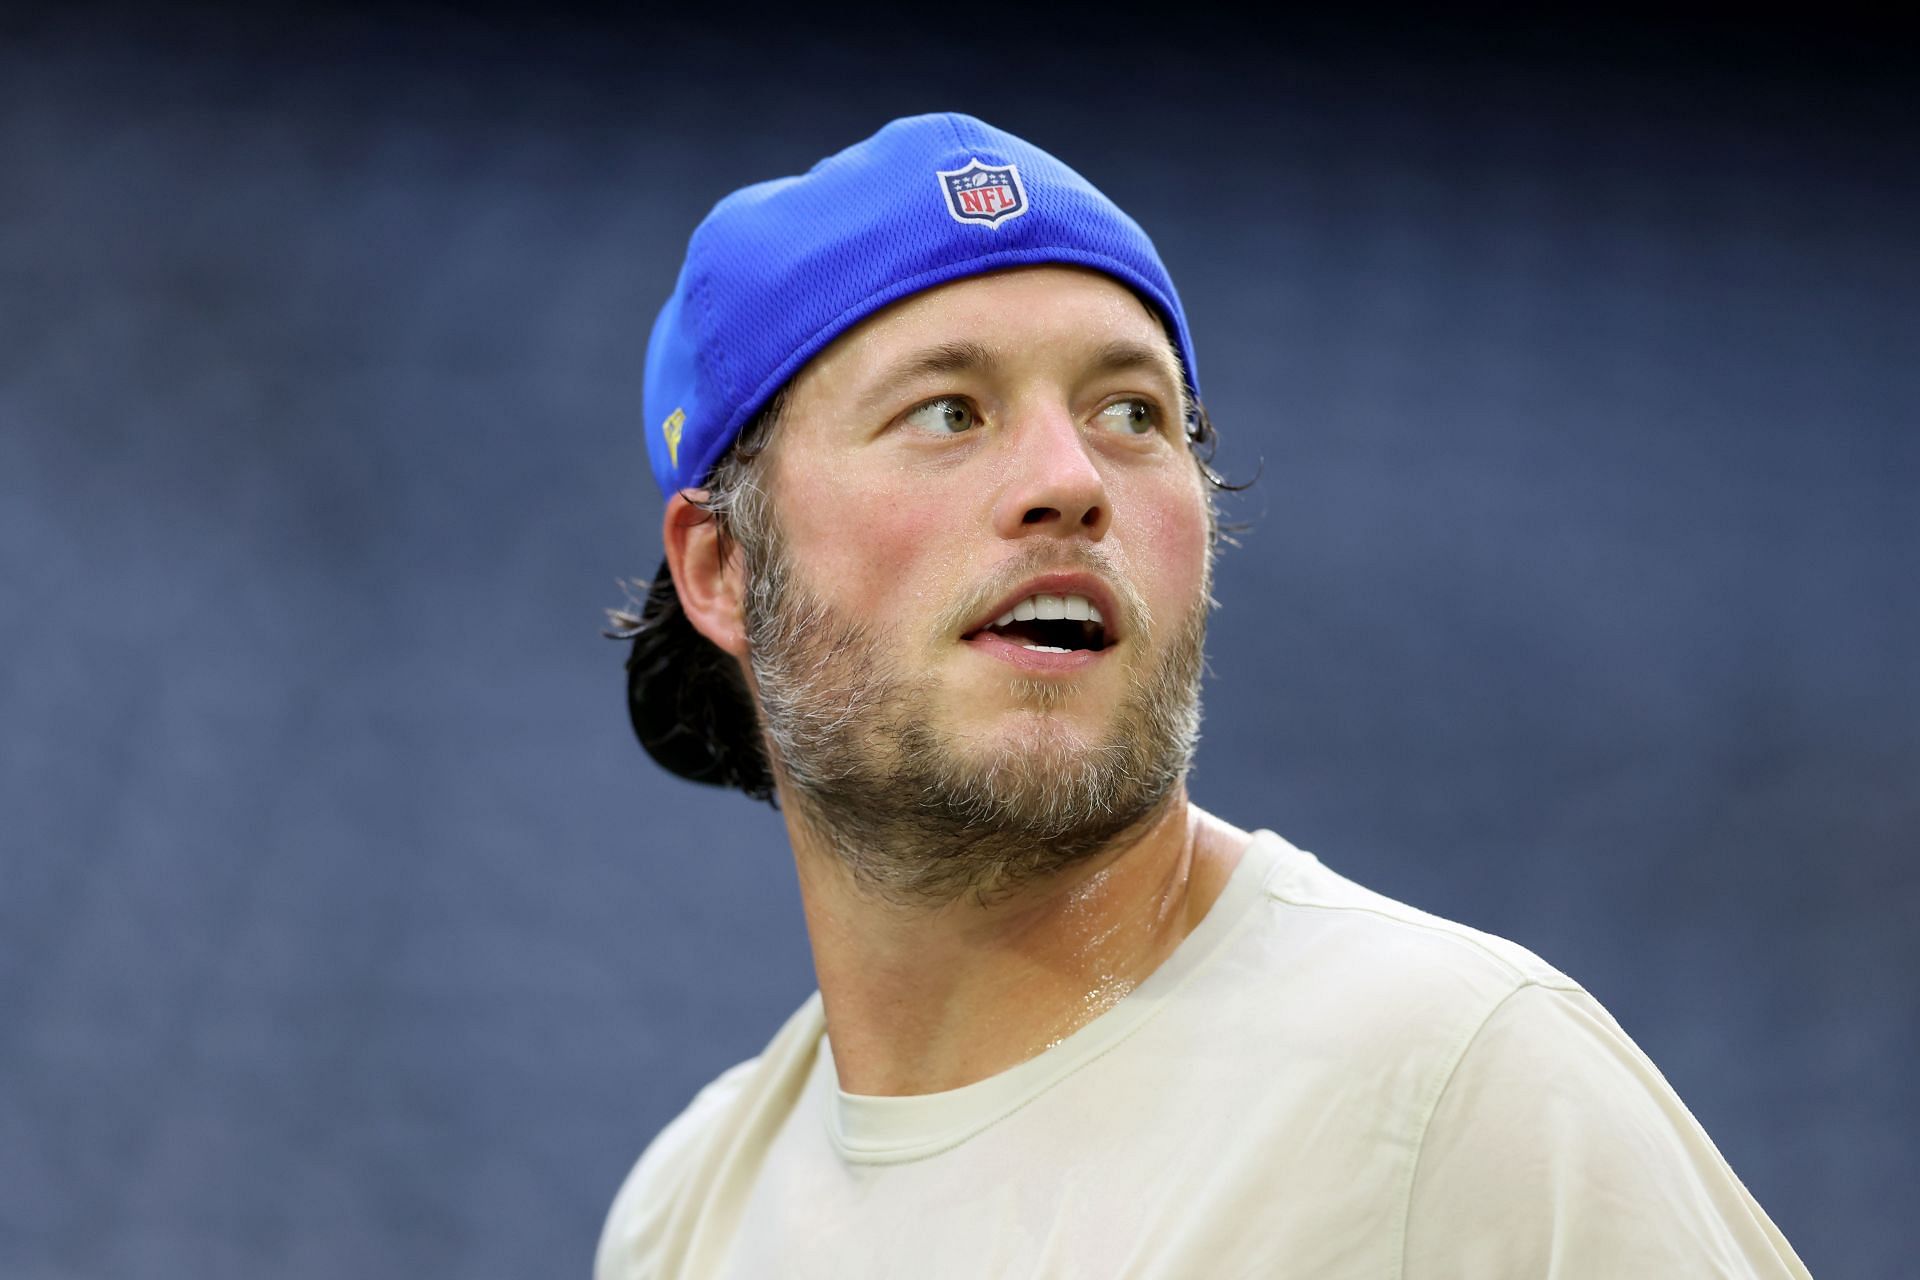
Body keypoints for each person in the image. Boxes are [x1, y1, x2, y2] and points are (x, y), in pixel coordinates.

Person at [595, 113, 1811, 1279]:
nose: (1070, 479)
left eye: (1133, 412)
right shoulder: (688, 1211)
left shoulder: (1459, 1084)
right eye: (947, 412)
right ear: (722, 568)